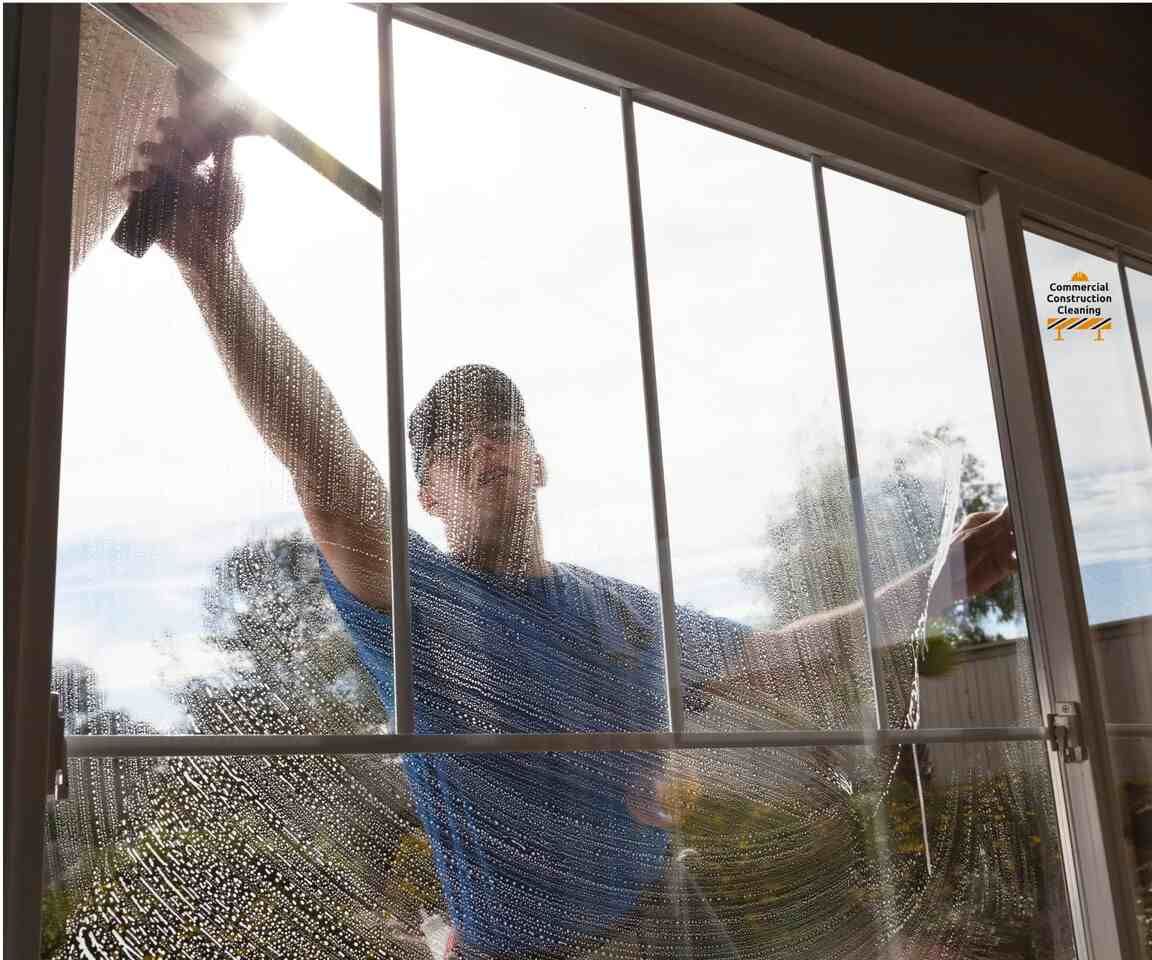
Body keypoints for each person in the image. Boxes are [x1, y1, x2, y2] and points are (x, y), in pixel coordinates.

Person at [117, 83, 1017, 960]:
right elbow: (328, 467)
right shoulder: (419, 604)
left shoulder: (618, 611)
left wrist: (931, 587)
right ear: (427, 495)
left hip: (672, 921)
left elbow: (775, 653)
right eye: (448, 442)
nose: (483, 444)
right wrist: (211, 264)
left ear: (539, 462)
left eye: (502, 423)